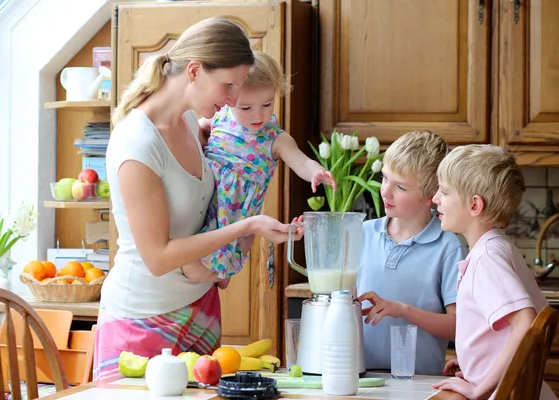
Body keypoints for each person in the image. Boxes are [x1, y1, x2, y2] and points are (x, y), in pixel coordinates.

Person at [93, 17, 301, 380]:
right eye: (229, 86)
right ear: (194, 71)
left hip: (200, 306)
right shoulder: (137, 145)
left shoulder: (194, 122)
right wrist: (246, 227)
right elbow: (158, 258)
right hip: (144, 319)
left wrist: (229, 252)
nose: (235, 100)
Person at [181, 51, 335, 283]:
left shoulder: (275, 138)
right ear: (229, 98)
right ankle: (223, 272)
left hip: (236, 211)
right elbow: (196, 130)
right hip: (205, 199)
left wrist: (316, 172)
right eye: (246, 108)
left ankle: (225, 272)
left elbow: (300, 160)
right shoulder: (219, 117)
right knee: (189, 259)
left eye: (267, 104)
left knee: (196, 270)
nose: (259, 115)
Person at [432, 145, 554, 399]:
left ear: (475, 204)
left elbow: (525, 322)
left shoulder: (487, 258)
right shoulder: (498, 247)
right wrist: (475, 364)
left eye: (444, 191)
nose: (435, 199)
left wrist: (480, 387)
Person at [356, 130, 468, 375]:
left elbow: (459, 326)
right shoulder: (359, 234)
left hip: (419, 382)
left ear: (431, 196)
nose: (385, 191)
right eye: (385, 178)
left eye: (401, 187)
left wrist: (403, 310)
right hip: (359, 377)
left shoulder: (449, 247)